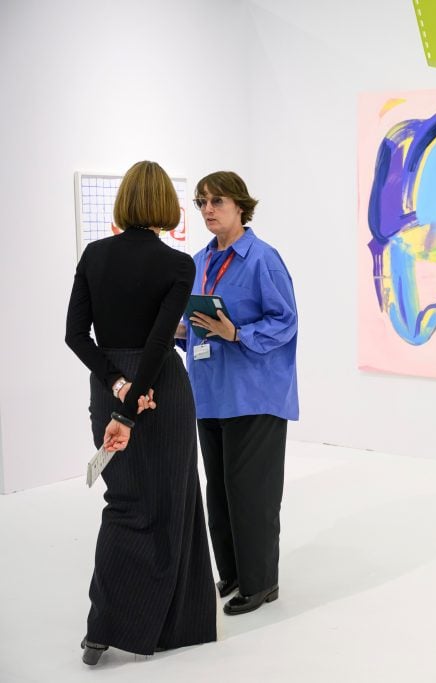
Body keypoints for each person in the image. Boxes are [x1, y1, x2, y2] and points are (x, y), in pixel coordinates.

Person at [65, 160, 217, 665]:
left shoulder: (94, 255)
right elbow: (157, 341)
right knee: (173, 499)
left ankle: (100, 630)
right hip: (160, 387)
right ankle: (173, 624)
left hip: (111, 382)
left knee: (125, 502)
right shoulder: (177, 264)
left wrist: (117, 386)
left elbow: (74, 336)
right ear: (166, 207)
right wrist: (136, 402)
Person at [182, 171, 298, 616]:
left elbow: (284, 322)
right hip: (209, 393)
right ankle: (231, 573)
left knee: (252, 492)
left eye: (218, 201)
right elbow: (198, 325)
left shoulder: (262, 259)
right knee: (221, 490)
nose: (209, 210)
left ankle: (261, 582)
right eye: (202, 202)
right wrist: (183, 331)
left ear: (241, 206)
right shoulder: (198, 262)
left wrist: (236, 332)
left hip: (255, 394)